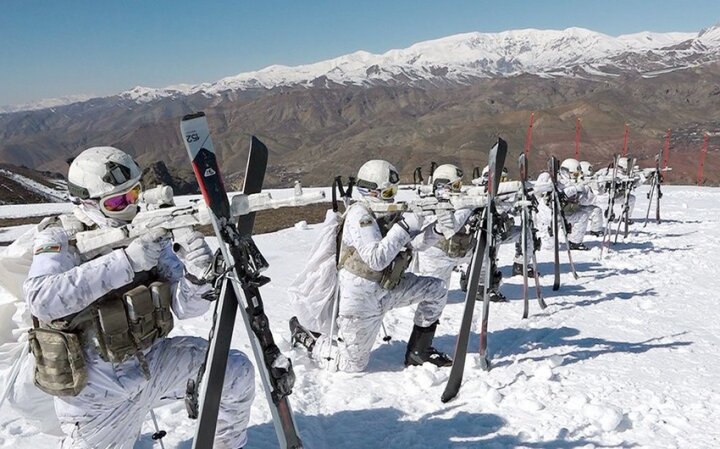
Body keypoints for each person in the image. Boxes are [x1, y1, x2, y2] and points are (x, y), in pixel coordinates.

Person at [23, 147, 255, 449]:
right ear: (86, 203)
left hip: (154, 366)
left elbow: (184, 308)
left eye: (134, 194)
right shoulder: (61, 239)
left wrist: (198, 278)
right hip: (97, 400)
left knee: (235, 372)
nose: (130, 207)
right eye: (118, 202)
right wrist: (126, 262)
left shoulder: (143, 233)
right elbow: (42, 298)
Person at [290, 159, 456, 372]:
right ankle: (308, 338)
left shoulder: (384, 213)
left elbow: (414, 244)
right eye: (388, 193)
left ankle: (419, 351)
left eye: (394, 192)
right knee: (352, 365)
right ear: (370, 192)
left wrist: (438, 230)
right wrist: (405, 225)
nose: (393, 198)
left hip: (390, 287)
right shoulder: (359, 216)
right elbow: (376, 258)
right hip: (361, 300)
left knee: (437, 290)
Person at [412, 164, 475, 301]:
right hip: (435, 256)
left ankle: (479, 286)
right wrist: (468, 207)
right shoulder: (428, 203)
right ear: (444, 186)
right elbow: (452, 225)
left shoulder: (458, 200)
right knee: (434, 295)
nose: (459, 189)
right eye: (456, 185)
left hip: (457, 250)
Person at [534, 158, 593, 251]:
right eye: (574, 174)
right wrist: (567, 191)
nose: (576, 177)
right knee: (550, 248)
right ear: (565, 172)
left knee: (583, 215)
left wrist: (582, 192)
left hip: (565, 214)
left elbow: (590, 201)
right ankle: (538, 242)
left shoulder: (579, 184)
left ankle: (574, 242)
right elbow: (537, 190)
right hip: (548, 218)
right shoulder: (553, 180)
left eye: (578, 174)